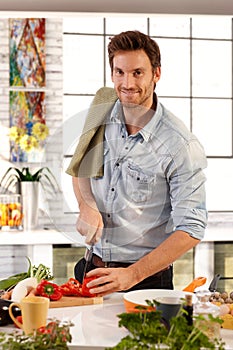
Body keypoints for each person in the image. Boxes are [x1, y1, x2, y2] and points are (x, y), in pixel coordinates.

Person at [66, 30, 207, 296]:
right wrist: (86, 205)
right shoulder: (101, 110)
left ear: (157, 74)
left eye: (137, 73)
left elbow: (192, 228)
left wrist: (132, 275)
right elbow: (81, 168)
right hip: (89, 270)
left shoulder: (180, 145)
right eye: (119, 72)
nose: (127, 83)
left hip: (146, 283)